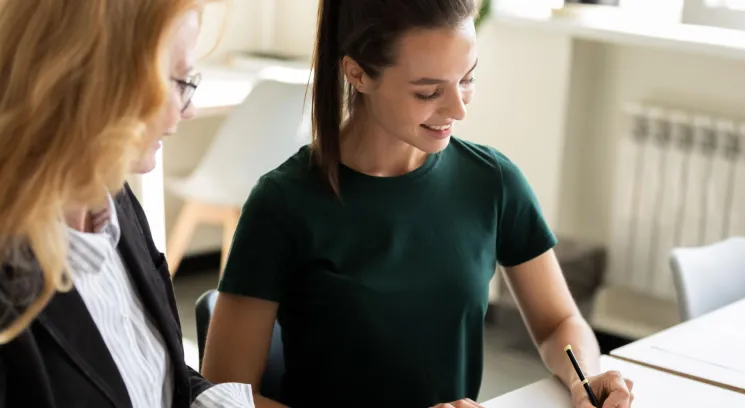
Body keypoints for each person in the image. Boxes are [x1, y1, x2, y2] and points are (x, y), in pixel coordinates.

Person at [201, 1, 635, 407]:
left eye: (467, 79)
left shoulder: (492, 182)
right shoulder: (282, 205)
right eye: (429, 92)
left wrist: (584, 378)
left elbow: (559, 323)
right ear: (357, 74)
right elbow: (224, 396)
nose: (458, 109)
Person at [0, 1, 255, 407]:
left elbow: (155, 374)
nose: (188, 109)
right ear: (96, 79)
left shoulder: (114, 201)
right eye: (177, 80)